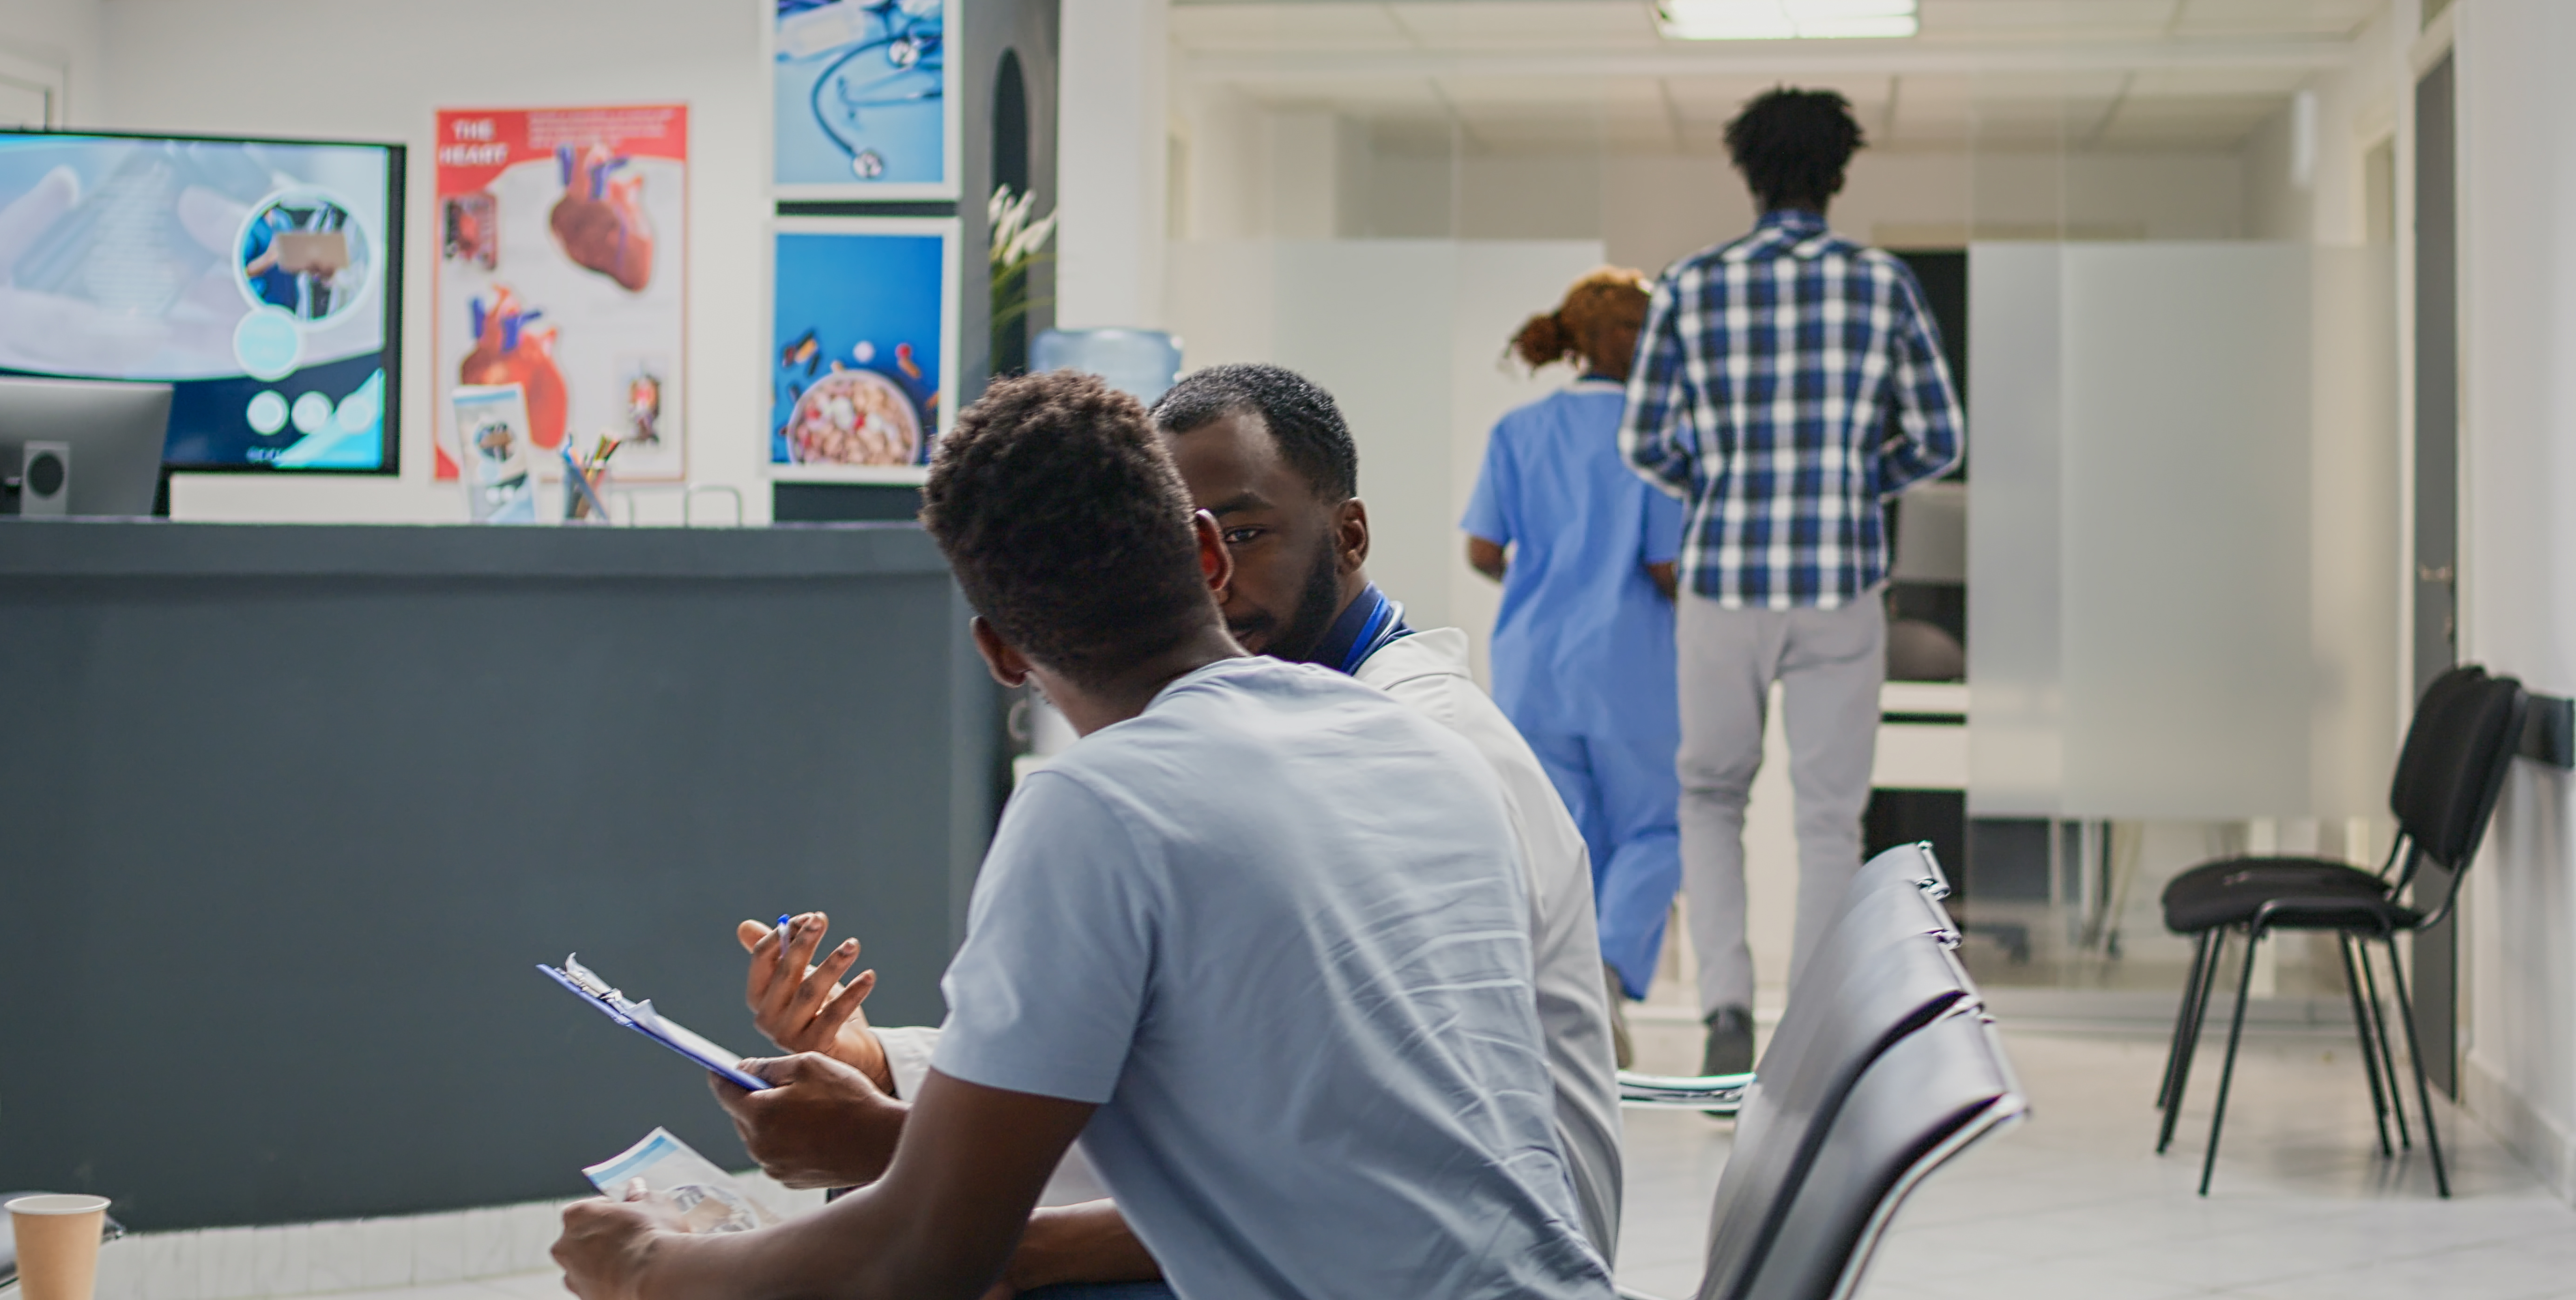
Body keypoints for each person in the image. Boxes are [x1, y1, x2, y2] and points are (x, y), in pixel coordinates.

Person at [555, 371, 1607, 1300]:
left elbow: (925, 1254)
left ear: (1002, 653)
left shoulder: (1095, 804)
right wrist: (886, 1085)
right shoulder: (1414, 745)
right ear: (1205, 556)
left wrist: (645, 1270)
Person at [1618, 86, 1963, 1078]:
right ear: (1838, 173)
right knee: (1827, 814)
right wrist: (1858, 481)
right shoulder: (1882, 282)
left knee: (1711, 795)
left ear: (1748, 173)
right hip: (1841, 579)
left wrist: (1719, 485)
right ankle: (1814, 1026)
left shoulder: (1691, 285)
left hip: (1723, 579)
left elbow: (1644, 440)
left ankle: (1726, 1006)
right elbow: (1943, 437)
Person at [1465, 268, 1684, 1060]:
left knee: (1561, 842)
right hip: (1630, 669)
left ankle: (1562, 1011)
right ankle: (1605, 970)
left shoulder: (1517, 432)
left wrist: (1546, 578)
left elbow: (1483, 550)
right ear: (1629, 339)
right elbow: (1665, 567)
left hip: (1533, 667)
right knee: (1659, 827)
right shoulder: (1659, 438)